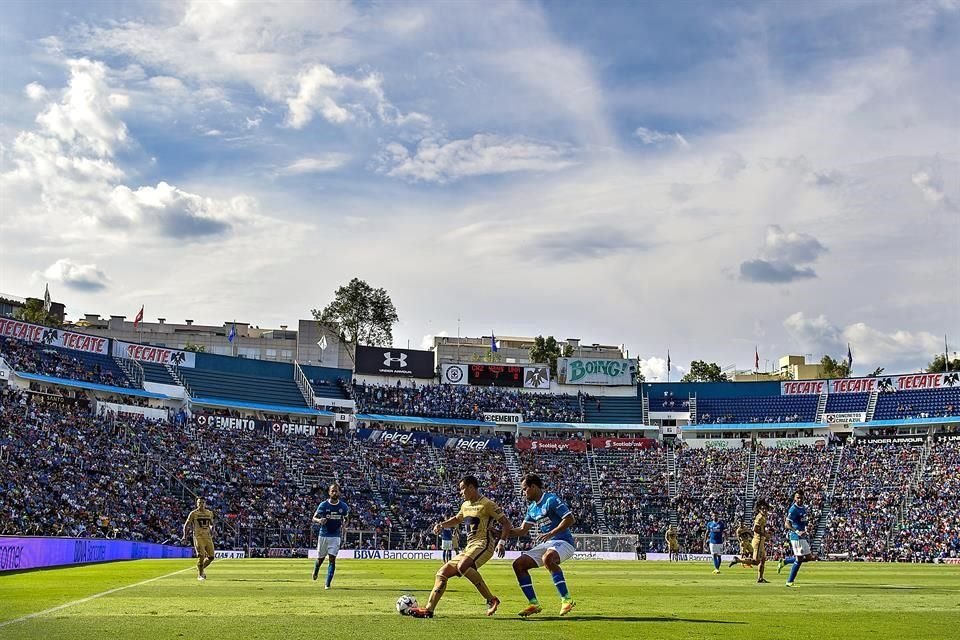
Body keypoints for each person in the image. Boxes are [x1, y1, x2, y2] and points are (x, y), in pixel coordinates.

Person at [408, 475, 512, 619]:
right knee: (442, 573)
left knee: (463, 566)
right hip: (469, 546)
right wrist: (442, 525)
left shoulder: (487, 504)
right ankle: (428, 610)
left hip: (484, 544)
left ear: (471, 487)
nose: (461, 492)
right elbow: (457, 519)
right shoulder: (465, 505)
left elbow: (506, 523)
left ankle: (491, 599)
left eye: (462, 489)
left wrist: (501, 542)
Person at [502, 473, 577, 618]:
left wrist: (551, 533)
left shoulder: (551, 500)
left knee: (548, 558)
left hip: (564, 542)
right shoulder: (532, 508)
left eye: (525, 489)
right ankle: (533, 604)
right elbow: (522, 530)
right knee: (518, 564)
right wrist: (501, 533)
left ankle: (566, 600)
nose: (523, 493)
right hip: (548, 542)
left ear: (534, 487)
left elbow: (569, 519)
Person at [311, 483, 350, 589]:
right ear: (329, 492)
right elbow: (314, 518)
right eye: (332, 491)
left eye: (336, 491)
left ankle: (327, 584)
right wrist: (319, 520)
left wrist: (345, 526)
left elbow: (346, 519)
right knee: (320, 559)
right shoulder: (323, 505)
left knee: (332, 559)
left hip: (335, 536)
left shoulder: (343, 506)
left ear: (339, 492)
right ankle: (316, 569)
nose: (334, 493)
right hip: (323, 535)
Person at [778, 490, 818, 587]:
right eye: (797, 497)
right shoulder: (793, 509)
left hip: (802, 536)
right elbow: (787, 524)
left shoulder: (803, 508)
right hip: (796, 537)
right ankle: (789, 581)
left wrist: (806, 529)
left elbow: (802, 522)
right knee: (799, 559)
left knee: (809, 558)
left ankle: (785, 561)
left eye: (801, 497)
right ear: (795, 498)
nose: (799, 499)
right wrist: (797, 531)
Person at [730, 499, 770, 583]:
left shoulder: (763, 516)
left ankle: (760, 578)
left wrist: (766, 533)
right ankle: (738, 560)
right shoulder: (759, 517)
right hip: (758, 541)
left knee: (763, 559)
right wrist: (764, 534)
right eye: (763, 509)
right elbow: (755, 529)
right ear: (759, 509)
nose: (765, 510)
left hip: (760, 540)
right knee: (756, 561)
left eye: (766, 508)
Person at [182, 497, 215, 581]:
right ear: (196, 503)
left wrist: (212, 529)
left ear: (205, 503)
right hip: (198, 536)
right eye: (199, 502)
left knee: (211, 557)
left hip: (207, 537)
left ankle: (200, 568)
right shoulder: (193, 513)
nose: (201, 504)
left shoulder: (209, 513)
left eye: (203, 502)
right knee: (201, 555)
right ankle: (200, 575)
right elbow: (186, 525)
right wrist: (184, 536)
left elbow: (211, 524)